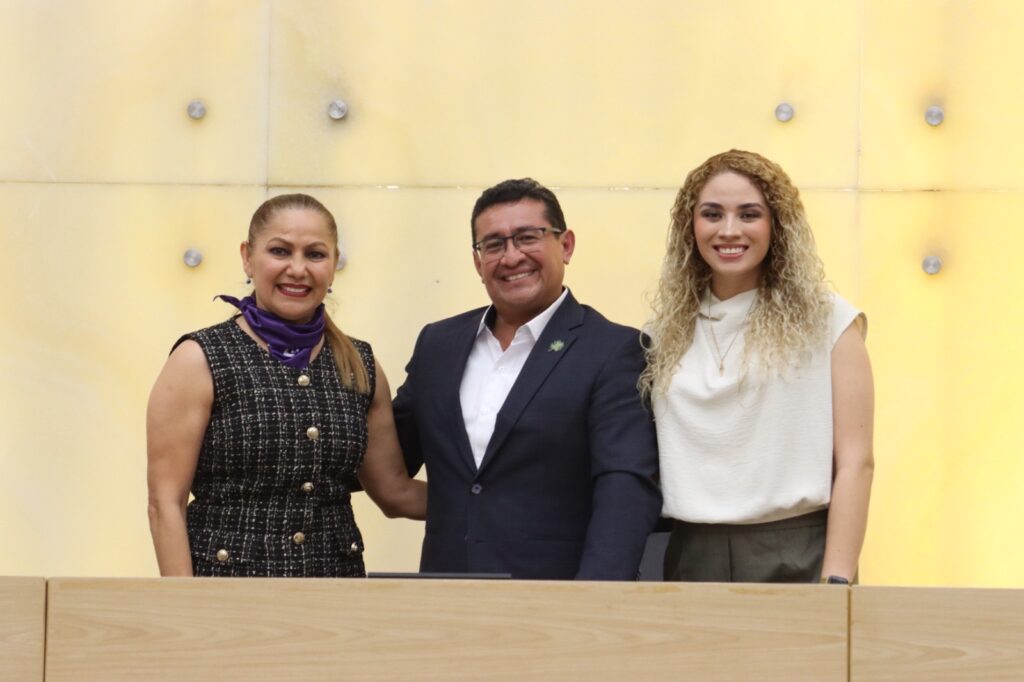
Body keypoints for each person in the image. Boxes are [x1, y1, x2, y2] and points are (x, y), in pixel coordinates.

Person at [392, 178, 661, 580]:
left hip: (555, 596)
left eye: (528, 237)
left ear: (566, 245)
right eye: (493, 244)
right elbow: (386, 453)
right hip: (446, 592)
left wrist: (595, 597)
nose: (512, 256)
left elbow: (624, 490)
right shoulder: (438, 345)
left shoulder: (613, 350)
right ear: (478, 262)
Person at [147, 193, 425, 577]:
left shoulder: (360, 364)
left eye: (315, 254)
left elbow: (396, 493)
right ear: (248, 257)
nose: (297, 269)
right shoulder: (198, 359)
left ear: (334, 264)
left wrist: (494, 500)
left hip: (337, 592)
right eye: (280, 251)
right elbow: (165, 504)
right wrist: (186, 605)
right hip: (229, 593)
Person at [641, 150, 874, 584]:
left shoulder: (829, 322)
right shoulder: (663, 333)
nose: (729, 230)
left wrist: (837, 580)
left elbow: (856, 462)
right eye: (712, 214)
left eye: (749, 214)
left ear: (777, 224)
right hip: (691, 553)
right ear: (690, 226)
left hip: (800, 552)